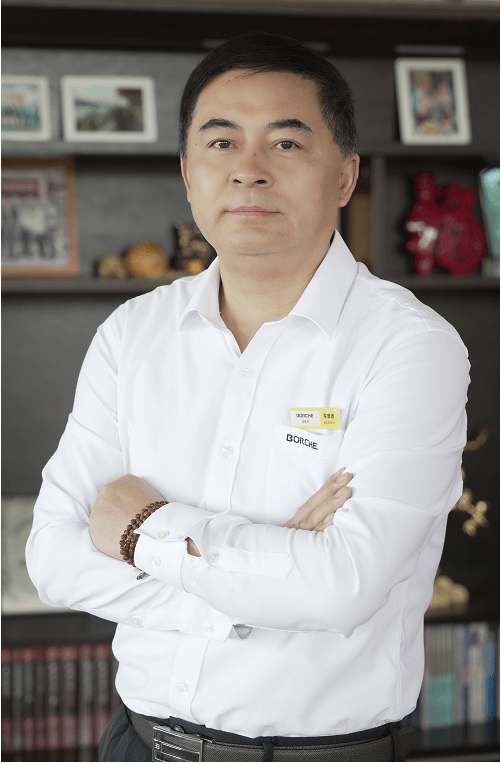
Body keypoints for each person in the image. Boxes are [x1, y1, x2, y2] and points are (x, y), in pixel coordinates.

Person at [26, 32, 470, 762]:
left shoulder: (409, 346)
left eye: (286, 144)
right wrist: (265, 579)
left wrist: (141, 530)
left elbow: (341, 587)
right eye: (221, 143)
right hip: (137, 742)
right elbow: (53, 556)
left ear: (346, 176)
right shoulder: (134, 332)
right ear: (187, 173)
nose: (248, 171)